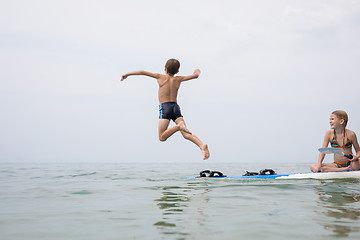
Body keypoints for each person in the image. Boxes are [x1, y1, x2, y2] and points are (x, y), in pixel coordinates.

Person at [120, 59, 210, 160]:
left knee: (162, 137)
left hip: (165, 107)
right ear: (177, 71)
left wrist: (127, 74)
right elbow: (196, 75)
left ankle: (178, 127)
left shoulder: (160, 77)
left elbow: (142, 72)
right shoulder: (178, 79)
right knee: (186, 135)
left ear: (165, 68)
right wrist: (197, 70)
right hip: (175, 108)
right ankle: (202, 145)